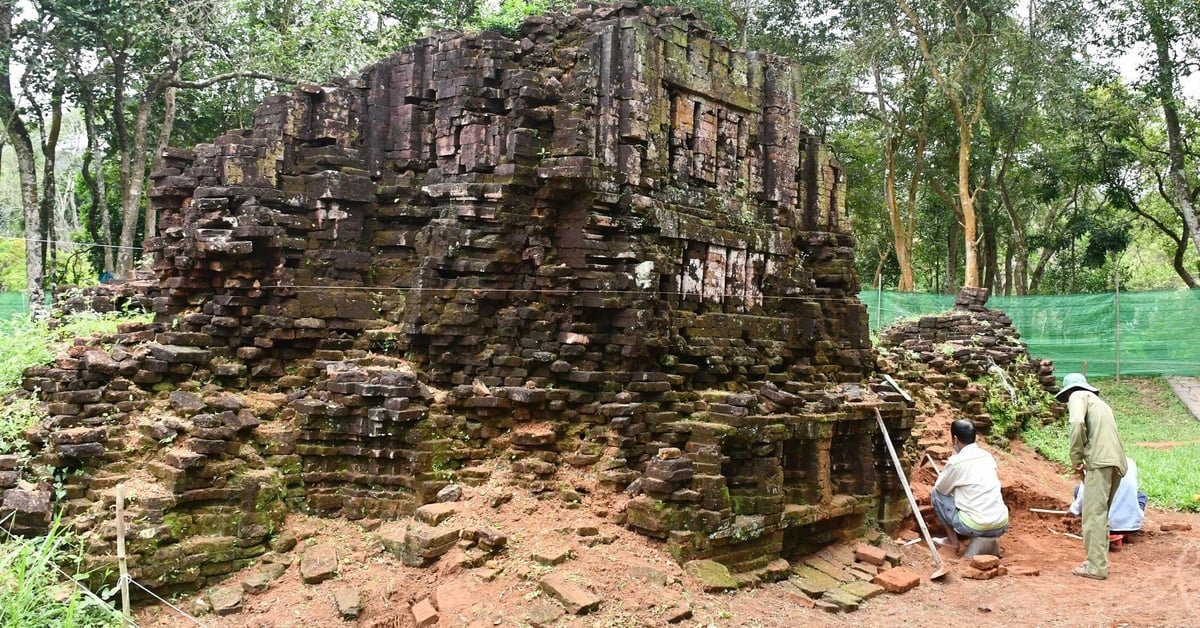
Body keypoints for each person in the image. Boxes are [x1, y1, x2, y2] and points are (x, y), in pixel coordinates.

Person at [1058, 372, 1127, 580]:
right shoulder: (1102, 404)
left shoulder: (1077, 396)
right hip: (1116, 463)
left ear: (1069, 390)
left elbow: (1077, 423)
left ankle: (1096, 567)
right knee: (1101, 514)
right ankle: (1097, 561)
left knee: (1092, 516)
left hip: (1099, 462)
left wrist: (1076, 457)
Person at [930, 418, 1010, 551]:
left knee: (936, 494)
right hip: (1001, 524)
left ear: (955, 439)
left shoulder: (956, 462)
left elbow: (941, 489)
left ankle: (952, 541)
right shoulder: (987, 456)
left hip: (974, 526)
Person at [1069, 456, 1146, 535]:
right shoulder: (1129, 462)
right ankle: (1131, 518)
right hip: (1130, 527)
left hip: (1099, 526)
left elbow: (1083, 495)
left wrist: (1074, 511)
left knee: (1078, 490)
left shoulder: (1093, 462)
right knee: (1141, 496)